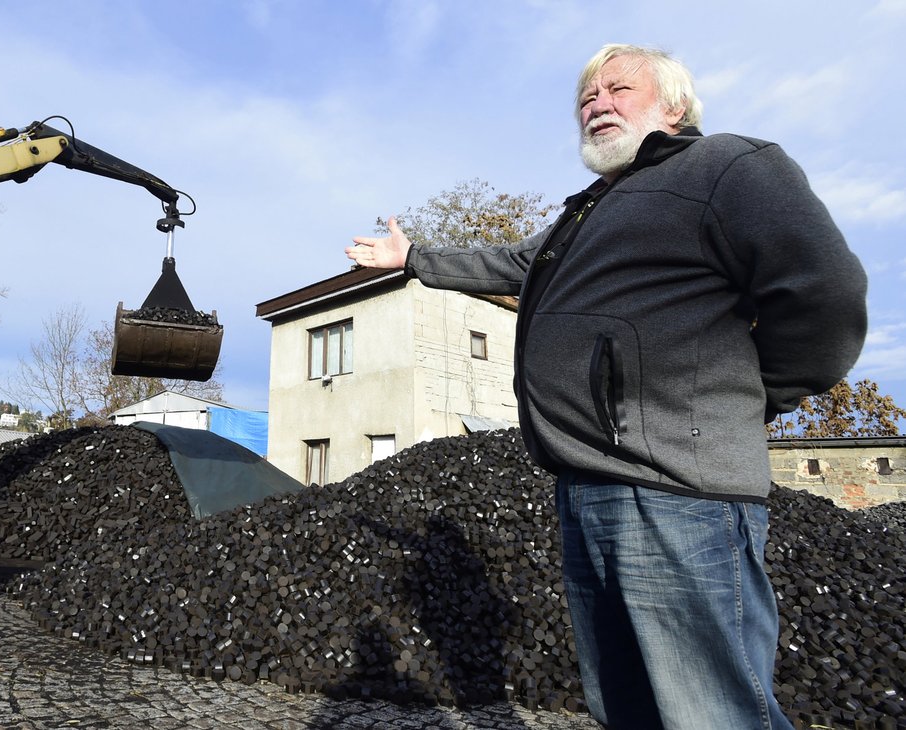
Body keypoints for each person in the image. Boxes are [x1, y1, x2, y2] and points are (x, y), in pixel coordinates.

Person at [346, 43, 867, 730]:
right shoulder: (591, 208)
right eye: (587, 98)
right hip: (588, 484)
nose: (597, 104)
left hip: (678, 492)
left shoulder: (729, 166)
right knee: (625, 708)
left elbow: (826, 293)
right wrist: (413, 258)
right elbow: (508, 261)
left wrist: (752, 394)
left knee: (710, 714)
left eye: (618, 89)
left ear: (674, 105)